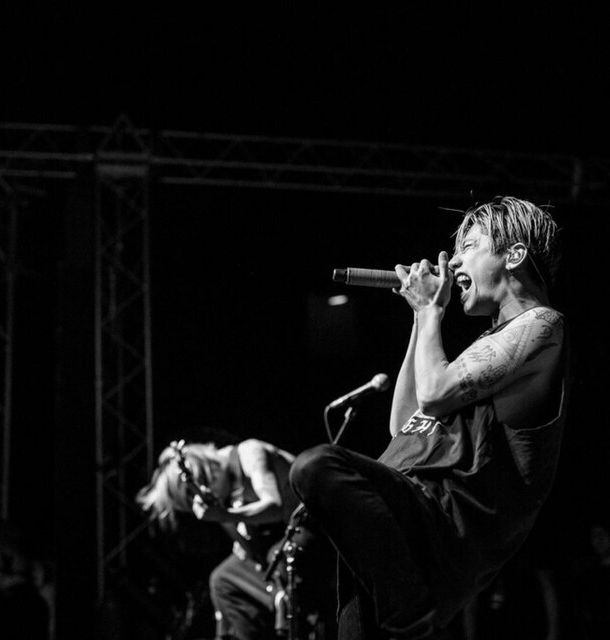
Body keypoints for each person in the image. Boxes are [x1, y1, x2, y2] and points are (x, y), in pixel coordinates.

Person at [289, 196, 571, 639]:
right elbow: (404, 425)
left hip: (439, 523)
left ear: (515, 255)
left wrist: (429, 311)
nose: (453, 262)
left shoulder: (543, 325)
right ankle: (408, 616)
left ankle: (413, 618)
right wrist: (420, 321)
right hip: (396, 522)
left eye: (470, 247)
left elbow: (435, 394)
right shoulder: (484, 347)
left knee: (316, 465)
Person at [136, 437, 335, 640]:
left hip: (317, 524)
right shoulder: (227, 493)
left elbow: (275, 505)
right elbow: (252, 551)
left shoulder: (249, 452)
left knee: (279, 558)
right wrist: (224, 519)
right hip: (284, 539)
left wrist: (224, 515)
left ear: (207, 471)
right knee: (223, 579)